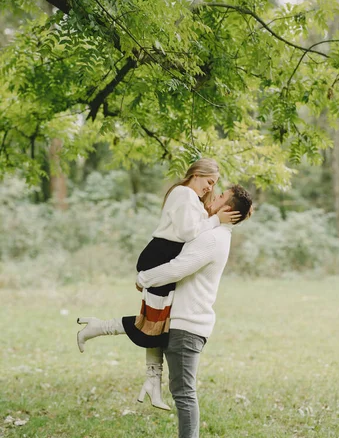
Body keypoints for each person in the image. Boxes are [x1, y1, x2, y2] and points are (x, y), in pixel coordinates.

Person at [77, 158, 241, 410]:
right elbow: (188, 233)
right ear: (197, 174)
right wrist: (217, 220)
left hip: (165, 256)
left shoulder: (192, 199)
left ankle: (152, 382)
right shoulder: (184, 193)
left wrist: (215, 215)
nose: (210, 188)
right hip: (160, 257)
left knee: (158, 325)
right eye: (209, 182)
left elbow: (194, 228)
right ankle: (97, 328)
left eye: (214, 185)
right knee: (151, 326)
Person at [140, 184, 253, 438]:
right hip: (184, 320)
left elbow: (180, 267)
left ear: (228, 210)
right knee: (182, 392)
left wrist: (144, 278)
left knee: (185, 394)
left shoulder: (215, 238)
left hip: (189, 323)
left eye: (219, 198)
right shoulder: (211, 232)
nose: (212, 199)